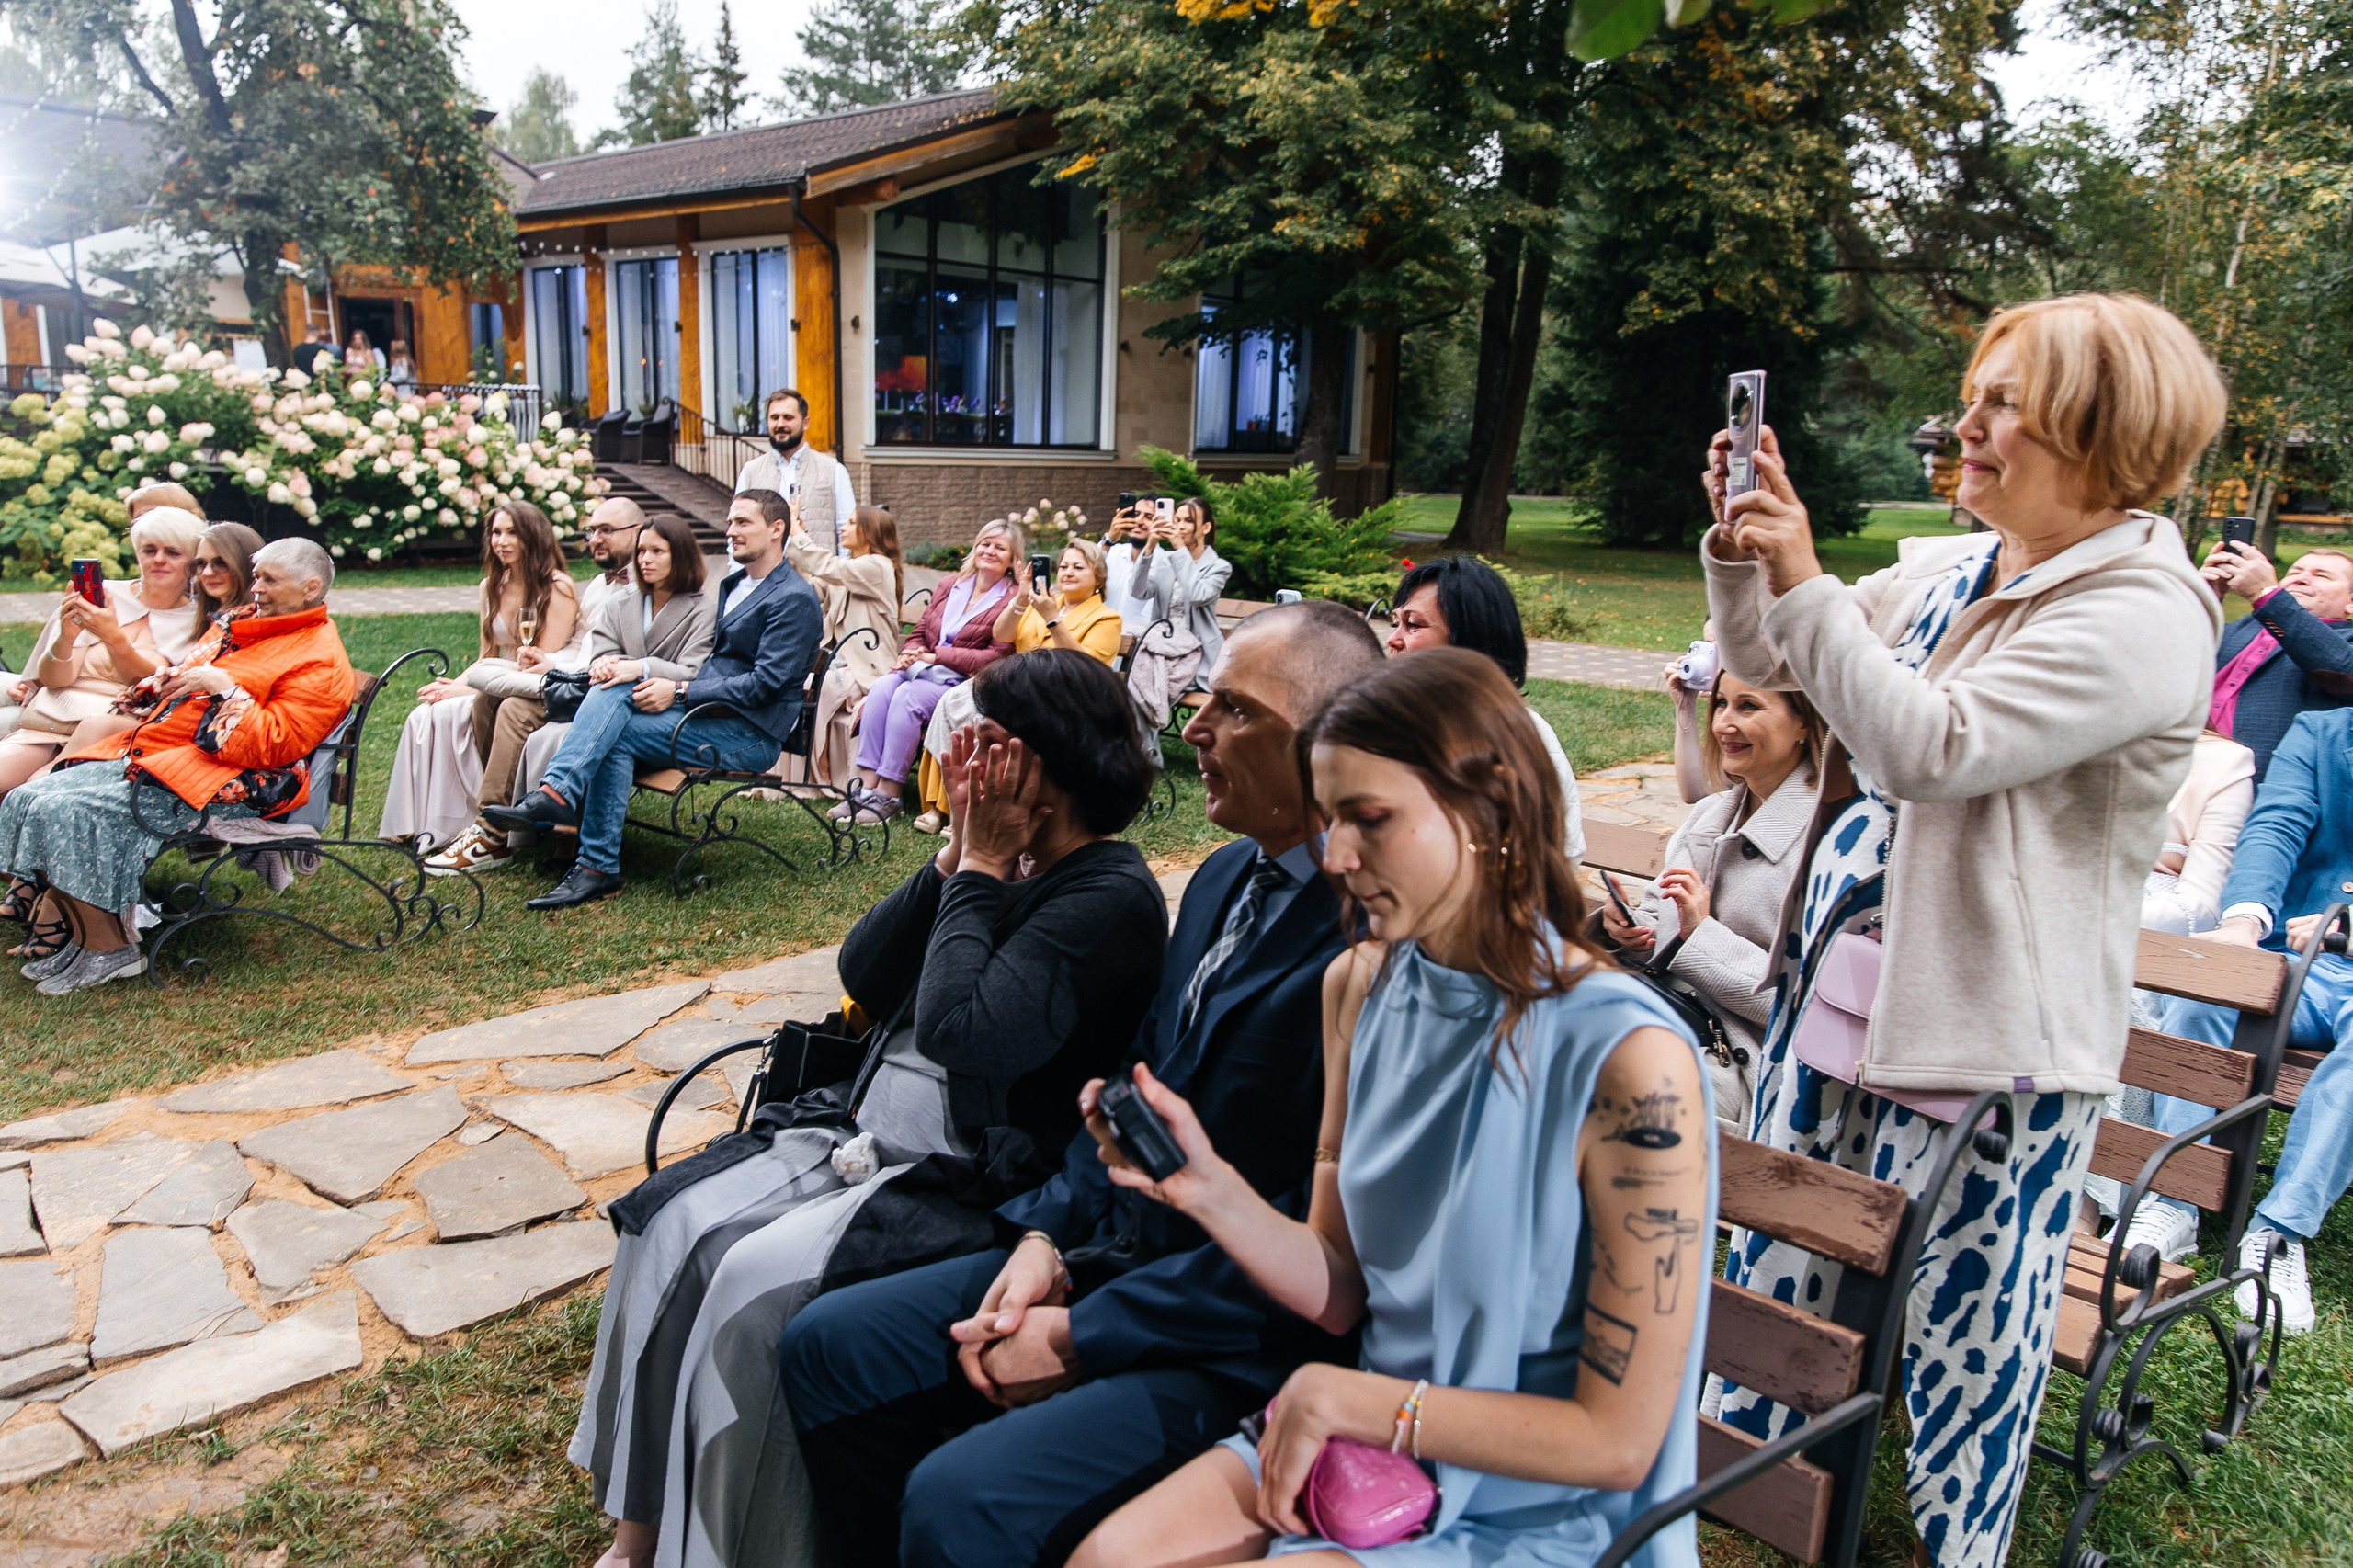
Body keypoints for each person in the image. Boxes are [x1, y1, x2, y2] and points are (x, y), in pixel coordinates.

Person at [1700, 291, 2222, 1568]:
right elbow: (1775, 654)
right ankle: (1750, 1471)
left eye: (2002, 404)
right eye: (1970, 398)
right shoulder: (1954, 565)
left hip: (1991, 1035)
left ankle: (1956, 1538)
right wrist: (1743, 548)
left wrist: (1806, 577)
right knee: (1788, 1239)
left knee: (1968, 1322)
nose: (1965, 427)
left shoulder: (2145, 610)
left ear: (2103, 429)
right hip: (1846, 990)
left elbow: (1930, 748)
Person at [1070, 647, 1711, 1568]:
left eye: (1369, 818)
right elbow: (1341, 1288)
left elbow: (1618, 1443)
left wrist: (1368, 1403)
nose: (1335, 856)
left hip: (1541, 1505)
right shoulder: (1361, 987)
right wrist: (1203, 1184)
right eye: (1329, 817)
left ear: (1489, 807)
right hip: (1370, 1448)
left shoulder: (1629, 1060)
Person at [780, 603, 1388, 1568]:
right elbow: (1130, 1094)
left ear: (1328, 741)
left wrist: (1084, 1334)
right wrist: (1042, 1241)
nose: (1193, 727)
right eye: (1204, 701)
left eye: (1234, 710)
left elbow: (1326, 1247)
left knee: (961, 1500)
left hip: (1233, 1332)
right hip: (1110, 1249)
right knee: (829, 1344)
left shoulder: (1371, 938)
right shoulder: (1226, 878)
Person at [572, 650, 1166, 1568]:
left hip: (962, 1172)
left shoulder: (1107, 893)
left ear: (1044, 766)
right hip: (858, 1124)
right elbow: (867, 971)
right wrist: (954, 860)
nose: (961, 759)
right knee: (666, 1226)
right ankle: (638, 1530)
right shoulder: (993, 859)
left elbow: (967, 1033)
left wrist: (978, 872)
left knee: (750, 1287)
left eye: (987, 743)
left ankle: (735, 1549)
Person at [0, 540, 352, 995]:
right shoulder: (242, 622)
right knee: (29, 796)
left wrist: (226, 690)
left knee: (62, 810)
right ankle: (87, 940)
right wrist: (169, 680)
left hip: (235, 782)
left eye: (269, 580)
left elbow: (273, 745)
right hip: (167, 757)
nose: (256, 588)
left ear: (310, 588)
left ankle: (110, 949)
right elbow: (191, 672)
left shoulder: (319, 658)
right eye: (257, 576)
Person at [486, 488, 821, 909]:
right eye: (730, 522)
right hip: (708, 716)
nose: (730, 531)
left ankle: (577, 834)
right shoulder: (736, 584)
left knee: (617, 721)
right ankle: (579, 837)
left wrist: (679, 691)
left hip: (750, 734)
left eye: (742, 522)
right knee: (616, 695)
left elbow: (765, 685)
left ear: (776, 529)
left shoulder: (793, 598)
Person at [2131, 705, 2353, 1333]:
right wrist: (2244, 921)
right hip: (2295, 957)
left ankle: (2279, 1233)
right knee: (2206, 989)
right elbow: (2274, 828)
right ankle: (2175, 1198)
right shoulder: (2321, 732)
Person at [1597, 670, 1824, 1142]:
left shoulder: (1826, 844)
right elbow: (1658, 925)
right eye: (1721, 703)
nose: (1723, 723)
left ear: (1804, 721)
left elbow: (1805, 1009)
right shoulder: (1711, 814)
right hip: (1664, 1021)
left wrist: (1701, 935)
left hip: (1746, 1068)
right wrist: (1628, 931)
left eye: (1749, 706)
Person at [429, 512, 710, 877]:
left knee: (515, 709)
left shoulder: (702, 608)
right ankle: (507, 819)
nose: (646, 559)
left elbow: (693, 670)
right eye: (642, 551)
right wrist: (606, 663)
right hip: (596, 692)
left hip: (648, 705)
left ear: (681, 555)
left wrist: (638, 667)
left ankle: (492, 833)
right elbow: (599, 652)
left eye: (658, 551)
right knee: (488, 700)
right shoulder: (622, 602)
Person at [378, 501, 580, 849]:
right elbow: (487, 656)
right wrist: (453, 684)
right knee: (424, 714)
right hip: (493, 678)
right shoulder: (490, 586)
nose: (501, 541)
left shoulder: (557, 587)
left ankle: (470, 821)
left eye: (512, 532)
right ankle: (416, 823)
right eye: (496, 532)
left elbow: (535, 665)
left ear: (533, 536)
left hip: (526, 686)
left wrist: (465, 691)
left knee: (448, 712)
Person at [909, 538, 1123, 835]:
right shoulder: (1046, 601)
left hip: (1060, 699)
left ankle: (972, 809)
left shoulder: (1107, 619)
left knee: (984, 718)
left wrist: (1052, 619)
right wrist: (1022, 600)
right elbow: (1003, 634)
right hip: (1015, 686)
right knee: (952, 699)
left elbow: (1085, 667)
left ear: (1098, 577)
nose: (1068, 572)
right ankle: (940, 804)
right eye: (1063, 566)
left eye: (1078, 567)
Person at [1384, 554, 1588, 861]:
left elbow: (1559, 855)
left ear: (1467, 642)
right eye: (1395, 623)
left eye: (1412, 625)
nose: (1393, 640)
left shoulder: (1517, 737)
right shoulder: (1393, 722)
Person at [1, 506, 207, 796]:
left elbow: (156, 692)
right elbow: (54, 679)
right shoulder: (106, 595)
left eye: (172, 553)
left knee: (31, 793)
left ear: (193, 562)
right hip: (49, 721)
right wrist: (66, 637)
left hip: (112, 733)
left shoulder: (198, 621)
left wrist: (112, 637)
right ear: (137, 554)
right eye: (149, 550)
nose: (158, 559)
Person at [836, 519, 1020, 826]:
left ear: (1013, 559)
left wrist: (936, 656)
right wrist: (910, 652)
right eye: (985, 544)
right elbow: (921, 630)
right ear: (975, 547)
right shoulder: (950, 584)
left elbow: (996, 656)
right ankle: (865, 789)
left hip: (964, 682)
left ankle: (889, 794)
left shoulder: (1012, 598)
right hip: (924, 669)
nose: (989, 551)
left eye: (1000, 548)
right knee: (882, 687)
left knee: (908, 697)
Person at [2196, 542, 2353, 783]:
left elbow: (2343, 670)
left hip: (2267, 786)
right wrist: (2201, 600)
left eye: (2321, 575)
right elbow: (2163, 660)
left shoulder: (2346, 642)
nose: (2301, 579)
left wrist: (2266, 594)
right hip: (2183, 769)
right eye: (2295, 572)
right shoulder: (2237, 630)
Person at [787, 500, 904, 787]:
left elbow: (830, 568)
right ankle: (795, 775)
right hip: (838, 663)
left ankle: (820, 776)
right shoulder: (850, 569)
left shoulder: (878, 567)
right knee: (793, 682)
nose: (843, 528)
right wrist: (796, 547)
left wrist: (796, 534)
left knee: (820, 686)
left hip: (868, 670)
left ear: (870, 531)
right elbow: (811, 590)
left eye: (851, 523)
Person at [735, 389, 855, 555]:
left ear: (805, 423)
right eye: (774, 418)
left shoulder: (834, 470)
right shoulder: (750, 471)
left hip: (817, 571)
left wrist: (841, 571)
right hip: (765, 571)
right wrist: (737, 570)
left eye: (788, 417)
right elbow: (737, 529)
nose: (780, 424)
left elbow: (848, 530)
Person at [1149, 497, 1232, 688]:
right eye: (1177, 520)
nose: (1180, 526)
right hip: (1161, 651)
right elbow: (1138, 592)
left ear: (1206, 527)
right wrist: (1149, 547)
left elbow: (1197, 595)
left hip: (1197, 657)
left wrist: (1179, 548)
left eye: (1188, 521)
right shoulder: (1165, 560)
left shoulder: (1219, 567)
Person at [1101, 501, 1169, 634]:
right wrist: (1109, 539)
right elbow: (1086, 568)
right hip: (1103, 635)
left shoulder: (1165, 563)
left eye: (1148, 517)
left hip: (1142, 641)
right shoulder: (1113, 552)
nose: (1139, 521)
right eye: (1135, 514)